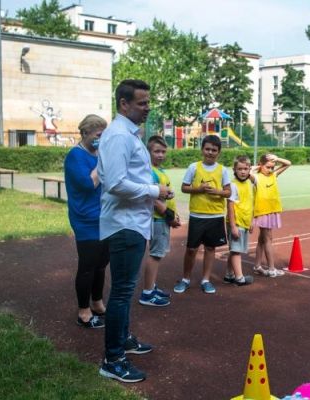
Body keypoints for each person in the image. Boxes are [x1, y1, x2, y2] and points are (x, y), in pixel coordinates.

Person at [97, 79, 170, 383]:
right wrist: (155, 189)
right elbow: (114, 183)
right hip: (125, 225)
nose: (147, 107)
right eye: (141, 103)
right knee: (123, 292)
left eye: (148, 102)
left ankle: (123, 339)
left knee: (125, 292)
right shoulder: (118, 136)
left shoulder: (127, 134)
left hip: (133, 223)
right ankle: (113, 359)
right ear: (123, 104)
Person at [64, 114, 109, 329]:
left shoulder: (100, 154)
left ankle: (97, 303)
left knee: (101, 265)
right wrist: (104, 161)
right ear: (85, 133)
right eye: (98, 135)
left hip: (105, 217)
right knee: (88, 266)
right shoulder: (75, 156)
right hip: (86, 219)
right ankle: (83, 311)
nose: (101, 139)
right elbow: (86, 184)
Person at [174, 135, 231, 294]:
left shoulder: (223, 170)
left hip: (215, 216)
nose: (210, 152)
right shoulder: (194, 167)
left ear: (218, 152)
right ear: (202, 150)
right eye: (207, 149)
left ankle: (206, 280)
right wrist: (198, 189)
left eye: (214, 150)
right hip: (197, 216)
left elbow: (228, 192)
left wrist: (217, 192)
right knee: (191, 249)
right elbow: (184, 188)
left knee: (210, 248)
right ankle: (186, 279)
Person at [138, 135, 180, 307]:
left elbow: (161, 194)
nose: (161, 155)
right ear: (148, 152)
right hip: (158, 219)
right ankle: (147, 293)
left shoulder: (159, 171)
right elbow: (153, 200)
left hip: (160, 219)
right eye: (156, 151)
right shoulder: (150, 171)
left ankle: (151, 286)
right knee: (155, 255)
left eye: (163, 151)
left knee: (157, 254)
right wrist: (170, 216)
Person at [252, 153, 291, 277]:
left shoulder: (274, 175)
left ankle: (257, 265)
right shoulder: (256, 177)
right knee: (268, 239)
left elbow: (288, 163)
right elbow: (248, 171)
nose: (270, 170)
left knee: (262, 239)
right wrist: (257, 167)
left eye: (272, 167)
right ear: (260, 165)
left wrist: (276, 159)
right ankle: (271, 269)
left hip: (272, 211)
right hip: (262, 212)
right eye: (267, 167)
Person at [224, 155, 255, 286]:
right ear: (234, 170)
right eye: (240, 169)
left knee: (234, 250)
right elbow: (230, 205)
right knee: (236, 250)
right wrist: (233, 226)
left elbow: (250, 202)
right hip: (236, 222)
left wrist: (251, 220)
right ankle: (239, 278)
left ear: (249, 169)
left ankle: (229, 274)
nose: (243, 171)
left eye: (246, 169)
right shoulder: (232, 185)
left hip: (245, 221)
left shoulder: (249, 183)